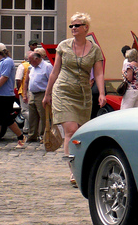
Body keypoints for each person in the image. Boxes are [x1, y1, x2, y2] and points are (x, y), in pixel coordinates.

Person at [43, 13, 105, 185]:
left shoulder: (95, 50)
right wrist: (47, 93)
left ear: (86, 27)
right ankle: (73, 171)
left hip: (83, 94)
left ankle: (82, 165)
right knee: (70, 131)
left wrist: (101, 93)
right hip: (63, 91)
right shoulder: (63, 46)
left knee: (81, 133)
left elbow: (99, 73)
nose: (73, 28)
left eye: (77, 25)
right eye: (71, 25)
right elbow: (55, 71)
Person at [0, 43, 25, 149]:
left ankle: (21, 137)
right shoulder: (0, 62)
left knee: (6, 119)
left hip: (5, 95)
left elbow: (4, 77)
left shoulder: (7, 61)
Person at [25, 48, 52, 144]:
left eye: (30, 61)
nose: (29, 63)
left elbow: (52, 80)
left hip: (42, 93)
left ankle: (44, 136)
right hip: (33, 93)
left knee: (43, 115)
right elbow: (28, 81)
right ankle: (32, 135)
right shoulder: (32, 68)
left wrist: (49, 95)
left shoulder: (47, 66)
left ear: (36, 59)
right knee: (32, 116)